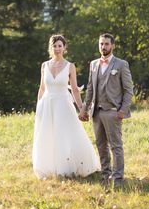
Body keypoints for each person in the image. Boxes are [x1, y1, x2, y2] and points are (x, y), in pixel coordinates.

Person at [32, 34, 100, 179]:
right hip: (47, 105)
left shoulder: (70, 66)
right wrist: (39, 107)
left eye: (59, 46)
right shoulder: (45, 65)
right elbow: (42, 88)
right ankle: (49, 167)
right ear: (51, 48)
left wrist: (82, 107)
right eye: (54, 46)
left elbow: (75, 89)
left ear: (64, 48)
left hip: (63, 104)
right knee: (48, 135)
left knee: (65, 134)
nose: (57, 49)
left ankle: (68, 167)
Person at [79, 33, 133, 188]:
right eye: (101, 44)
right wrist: (84, 109)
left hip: (113, 111)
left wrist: (123, 110)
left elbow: (129, 90)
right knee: (101, 145)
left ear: (113, 45)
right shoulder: (94, 64)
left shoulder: (121, 64)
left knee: (116, 146)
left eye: (106, 44)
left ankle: (117, 178)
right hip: (96, 112)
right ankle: (105, 175)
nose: (103, 47)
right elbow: (90, 89)